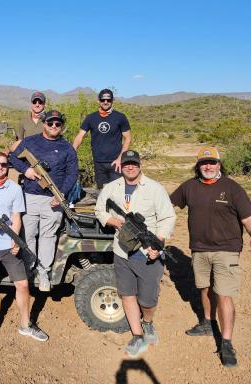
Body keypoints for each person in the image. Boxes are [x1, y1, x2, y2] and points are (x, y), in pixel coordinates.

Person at [170, 147, 251, 368]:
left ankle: (226, 342)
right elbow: (169, 206)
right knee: (205, 288)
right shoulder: (189, 186)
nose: (208, 166)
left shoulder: (233, 188)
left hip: (227, 250)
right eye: (204, 163)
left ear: (219, 164)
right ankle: (208, 322)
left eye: (212, 163)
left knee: (224, 294)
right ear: (198, 165)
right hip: (199, 249)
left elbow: (248, 219)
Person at [95, 150, 175, 358]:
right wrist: (113, 221)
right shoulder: (111, 188)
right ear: (121, 165)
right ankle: (137, 334)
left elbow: (167, 218)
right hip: (122, 251)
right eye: (126, 163)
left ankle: (147, 322)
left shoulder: (155, 188)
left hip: (147, 253)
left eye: (134, 163)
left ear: (140, 165)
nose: (130, 167)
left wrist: (159, 243)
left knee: (148, 300)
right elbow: (99, 211)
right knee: (127, 294)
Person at [0, 152, 49, 341]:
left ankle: (25, 324)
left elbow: (16, 217)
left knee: (22, 284)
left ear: (8, 167)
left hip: (7, 244)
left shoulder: (14, 189)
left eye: (3, 165)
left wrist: (15, 240)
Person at [9, 110, 78, 292]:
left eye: (57, 123)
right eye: (50, 123)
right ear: (44, 123)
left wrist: (60, 193)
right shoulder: (31, 141)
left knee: (48, 236)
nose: (54, 126)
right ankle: (29, 270)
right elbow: (13, 157)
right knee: (28, 235)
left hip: (53, 200)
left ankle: (43, 272)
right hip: (29, 197)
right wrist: (26, 171)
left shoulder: (67, 148)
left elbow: (72, 174)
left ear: (62, 126)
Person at [73, 88, 131, 188]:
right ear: (98, 100)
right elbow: (80, 136)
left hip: (116, 162)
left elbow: (128, 138)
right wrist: (72, 152)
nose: (105, 102)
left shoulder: (120, 117)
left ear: (113, 101)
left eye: (108, 100)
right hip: (98, 162)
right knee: (102, 191)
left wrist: (120, 158)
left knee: (117, 191)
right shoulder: (91, 118)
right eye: (103, 100)